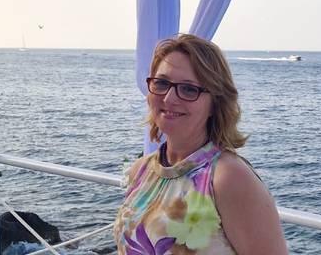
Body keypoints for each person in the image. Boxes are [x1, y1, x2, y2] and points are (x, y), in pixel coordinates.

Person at [115, 34, 287, 255]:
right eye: (161, 83)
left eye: (189, 89)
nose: (169, 98)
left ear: (215, 103)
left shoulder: (228, 178)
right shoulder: (141, 171)